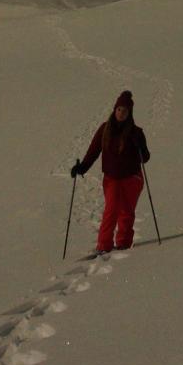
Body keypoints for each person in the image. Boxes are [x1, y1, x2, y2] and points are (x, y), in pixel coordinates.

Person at [70, 89, 150, 255]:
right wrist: (82, 167)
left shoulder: (136, 132)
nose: (121, 113)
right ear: (114, 110)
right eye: (119, 109)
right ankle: (104, 245)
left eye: (125, 111)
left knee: (126, 211)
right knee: (111, 210)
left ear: (130, 113)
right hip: (112, 178)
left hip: (132, 178)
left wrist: (139, 145)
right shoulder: (105, 129)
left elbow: (145, 158)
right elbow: (93, 151)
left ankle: (124, 243)